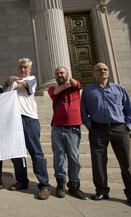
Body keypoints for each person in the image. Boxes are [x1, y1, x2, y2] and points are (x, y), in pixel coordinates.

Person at [81, 62, 131, 208]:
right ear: (94, 73)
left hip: (119, 129)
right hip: (98, 129)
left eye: (105, 69)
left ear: (108, 72)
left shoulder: (119, 89)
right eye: (99, 70)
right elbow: (83, 112)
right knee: (98, 162)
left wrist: (127, 127)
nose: (103, 71)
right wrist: (91, 127)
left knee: (125, 163)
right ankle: (102, 190)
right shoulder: (88, 91)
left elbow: (130, 110)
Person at [4, 58, 51, 200]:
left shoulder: (32, 79)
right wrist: (7, 82)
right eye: (21, 67)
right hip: (14, 120)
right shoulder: (13, 82)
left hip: (29, 119)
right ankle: (22, 180)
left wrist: (14, 82)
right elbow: (4, 95)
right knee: (16, 153)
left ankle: (44, 185)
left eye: (25, 67)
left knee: (35, 152)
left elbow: (23, 85)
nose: (23, 69)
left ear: (29, 68)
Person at [47, 66, 87, 199]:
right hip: (57, 128)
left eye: (62, 73)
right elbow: (56, 91)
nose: (60, 75)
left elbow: (76, 84)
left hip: (73, 128)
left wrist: (70, 82)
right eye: (57, 73)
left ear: (67, 74)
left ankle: (74, 186)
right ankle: (60, 184)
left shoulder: (75, 86)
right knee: (59, 157)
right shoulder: (52, 89)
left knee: (73, 158)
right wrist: (66, 84)